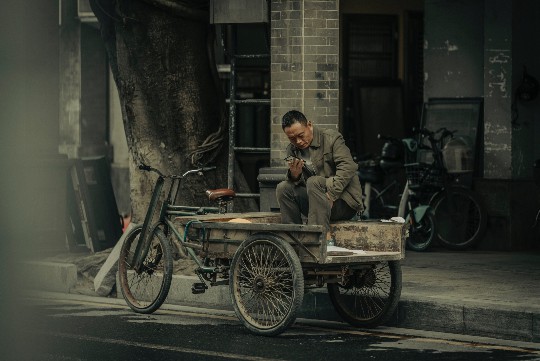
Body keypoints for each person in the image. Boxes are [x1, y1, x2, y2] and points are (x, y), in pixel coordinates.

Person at [276, 110, 363, 242]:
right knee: (283, 187)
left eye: (301, 135)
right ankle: (292, 241)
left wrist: (331, 194)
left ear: (309, 125)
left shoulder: (331, 138)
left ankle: (320, 239)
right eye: (292, 138)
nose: (298, 141)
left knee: (314, 181)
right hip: (317, 204)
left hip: (343, 202)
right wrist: (295, 176)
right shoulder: (292, 150)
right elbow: (297, 185)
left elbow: (348, 167)